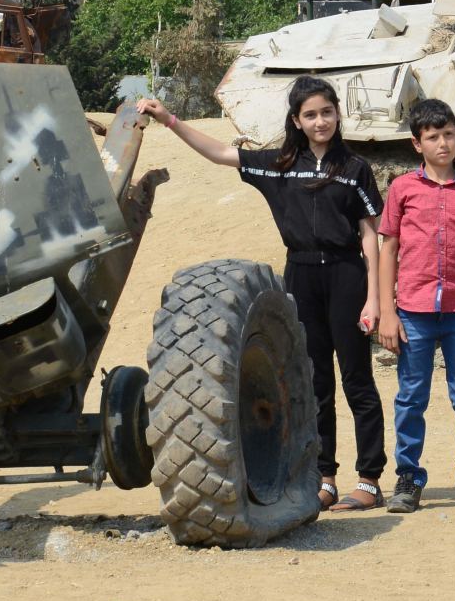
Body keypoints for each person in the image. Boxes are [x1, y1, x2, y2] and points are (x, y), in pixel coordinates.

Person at [135, 78, 388, 511]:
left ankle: (369, 480)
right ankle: (324, 479)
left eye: (327, 112)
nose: (320, 121)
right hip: (301, 276)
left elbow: (370, 235)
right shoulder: (279, 165)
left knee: (357, 379)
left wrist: (375, 298)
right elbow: (220, 153)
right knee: (314, 383)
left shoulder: (354, 168)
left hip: (347, 276)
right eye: (310, 114)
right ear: (297, 121)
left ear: (337, 114)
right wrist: (170, 120)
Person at [377, 98, 455, 515]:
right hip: (413, 311)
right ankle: (408, 476)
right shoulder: (402, 189)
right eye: (432, 137)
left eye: (449, 134)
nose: (443, 144)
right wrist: (388, 312)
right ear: (417, 144)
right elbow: (388, 249)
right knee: (411, 398)